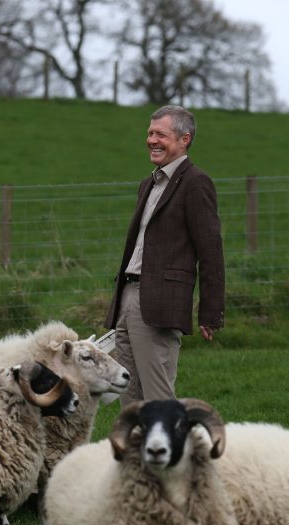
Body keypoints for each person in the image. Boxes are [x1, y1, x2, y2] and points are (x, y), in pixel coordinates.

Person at [104, 105, 225, 408]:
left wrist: (211, 312)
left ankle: (172, 453)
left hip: (161, 302)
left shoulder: (196, 182)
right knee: (130, 402)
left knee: (158, 400)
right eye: (149, 133)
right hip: (127, 297)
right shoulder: (148, 184)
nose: (152, 140)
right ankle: (135, 455)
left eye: (161, 135)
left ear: (184, 140)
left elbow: (211, 251)